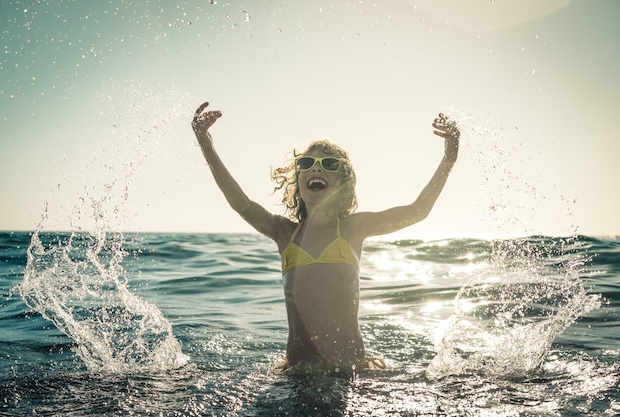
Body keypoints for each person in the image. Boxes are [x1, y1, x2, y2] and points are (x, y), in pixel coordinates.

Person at [191, 102, 460, 373]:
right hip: (298, 372)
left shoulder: (354, 229)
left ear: (342, 181)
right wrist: (207, 146)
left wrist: (448, 159)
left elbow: (417, 211)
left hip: (350, 370)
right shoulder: (284, 232)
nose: (316, 168)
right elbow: (243, 205)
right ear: (299, 178)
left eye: (328, 163)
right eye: (307, 163)